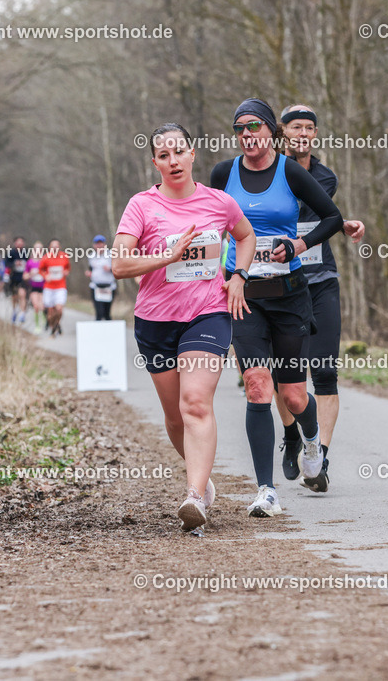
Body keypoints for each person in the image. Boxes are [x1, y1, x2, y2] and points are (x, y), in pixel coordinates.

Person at [210, 98, 365, 518]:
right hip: (243, 296)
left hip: (290, 293)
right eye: (240, 128)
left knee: (294, 394)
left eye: (255, 127)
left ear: (269, 132)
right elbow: (209, 224)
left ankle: (311, 440)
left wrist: (298, 244)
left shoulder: (290, 171)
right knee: (258, 385)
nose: (247, 135)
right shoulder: (224, 174)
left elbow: (331, 218)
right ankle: (266, 491)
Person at [112, 122, 255, 532]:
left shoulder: (219, 202)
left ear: (193, 154)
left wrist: (239, 276)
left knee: (195, 403)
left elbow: (246, 237)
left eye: (179, 151)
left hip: (207, 314)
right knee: (175, 417)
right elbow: (119, 264)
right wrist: (166, 257)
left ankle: (194, 498)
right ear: (154, 162)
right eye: (163, 155)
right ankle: (203, 480)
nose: (173, 160)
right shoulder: (141, 206)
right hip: (155, 321)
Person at [272, 104, 365, 491]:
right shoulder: (267, 175)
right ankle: (292, 434)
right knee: (286, 380)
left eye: (310, 128)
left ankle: (319, 458)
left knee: (325, 373)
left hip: (322, 279)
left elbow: (321, 217)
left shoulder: (326, 177)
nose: (304, 134)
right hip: (284, 284)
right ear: (284, 132)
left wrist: (342, 224)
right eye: (296, 127)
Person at [39, 239, 70, 336]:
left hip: (60, 286)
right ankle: (54, 326)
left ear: (59, 247)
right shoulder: (45, 258)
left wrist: (66, 272)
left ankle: (56, 325)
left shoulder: (64, 256)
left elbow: (68, 268)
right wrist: (45, 276)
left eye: (57, 246)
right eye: (53, 246)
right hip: (49, 287)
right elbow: (41, 270)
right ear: (49, 248)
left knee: (59, 309)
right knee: (50, 311)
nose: (55, 248)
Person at [87, 235, 117, 320]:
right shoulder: (91, 256)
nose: (99, 246)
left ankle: (109, 332)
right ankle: (98, 332)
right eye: (97, 244)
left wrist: (110, 269)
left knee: (107, 313)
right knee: (99, 313)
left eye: (101, 244)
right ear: (94, 245)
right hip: (95, 287)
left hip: (109, 287)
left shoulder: (111, 254)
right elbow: (91, 268)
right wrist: (89, 273)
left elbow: (118, 269)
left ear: (104, 244)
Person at [5, 236, 29, 324]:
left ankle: (22, 314)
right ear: (15, 243)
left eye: (21, 242)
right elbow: (6, 263)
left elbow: (30, 263)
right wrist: (14, 263)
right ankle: (15, 310)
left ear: (23, 243)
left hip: (23, 278)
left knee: (22, 295)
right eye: (18, 242)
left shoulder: (26, 252)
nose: (19, 244)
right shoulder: (11, 253)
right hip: (14, 277)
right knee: (15, 296)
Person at [25, 240, 46, 331]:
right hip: (33, 287)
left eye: (40, 249)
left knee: (42, 306)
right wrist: (31, 274)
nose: (38, 251)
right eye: (36, 249)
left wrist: (42, 273)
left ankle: (44, 321)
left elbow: (49, 273)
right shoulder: (30, 262)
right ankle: (37, 325)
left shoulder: (45, 260)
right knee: (36, 306)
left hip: (44, 287)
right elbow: (25, 276)